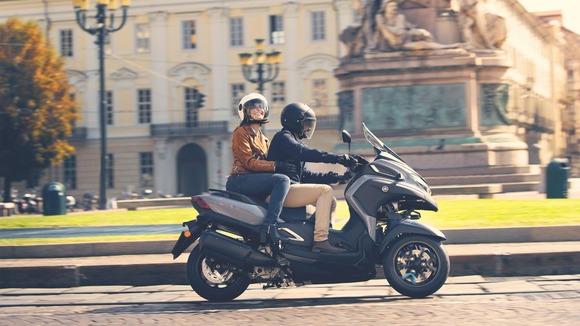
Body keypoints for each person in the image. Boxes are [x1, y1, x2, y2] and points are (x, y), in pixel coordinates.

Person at [267, 102, 358, 253]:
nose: (308, 128)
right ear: (294, 122)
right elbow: (304, 152)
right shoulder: (283, 138)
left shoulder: (293, 140)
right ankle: (320, 241)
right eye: (306, 124)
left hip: (290, 188)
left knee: (332, 202)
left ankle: (327, 235)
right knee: (324, 192)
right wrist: (338, 158)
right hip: (279, 191)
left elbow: (305, 175)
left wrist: (338, 177)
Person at [225, 93, 296, 241]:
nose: (259, 110)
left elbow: (271, 159)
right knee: (281, 180)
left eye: (261, 107)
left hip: (253, 179)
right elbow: (249, 163)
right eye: (253, 107)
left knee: (288, 181)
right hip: (240, 179)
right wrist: (277, 166)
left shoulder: (263, 138)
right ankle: (270, 225)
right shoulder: (241, 133)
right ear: (245, 111)